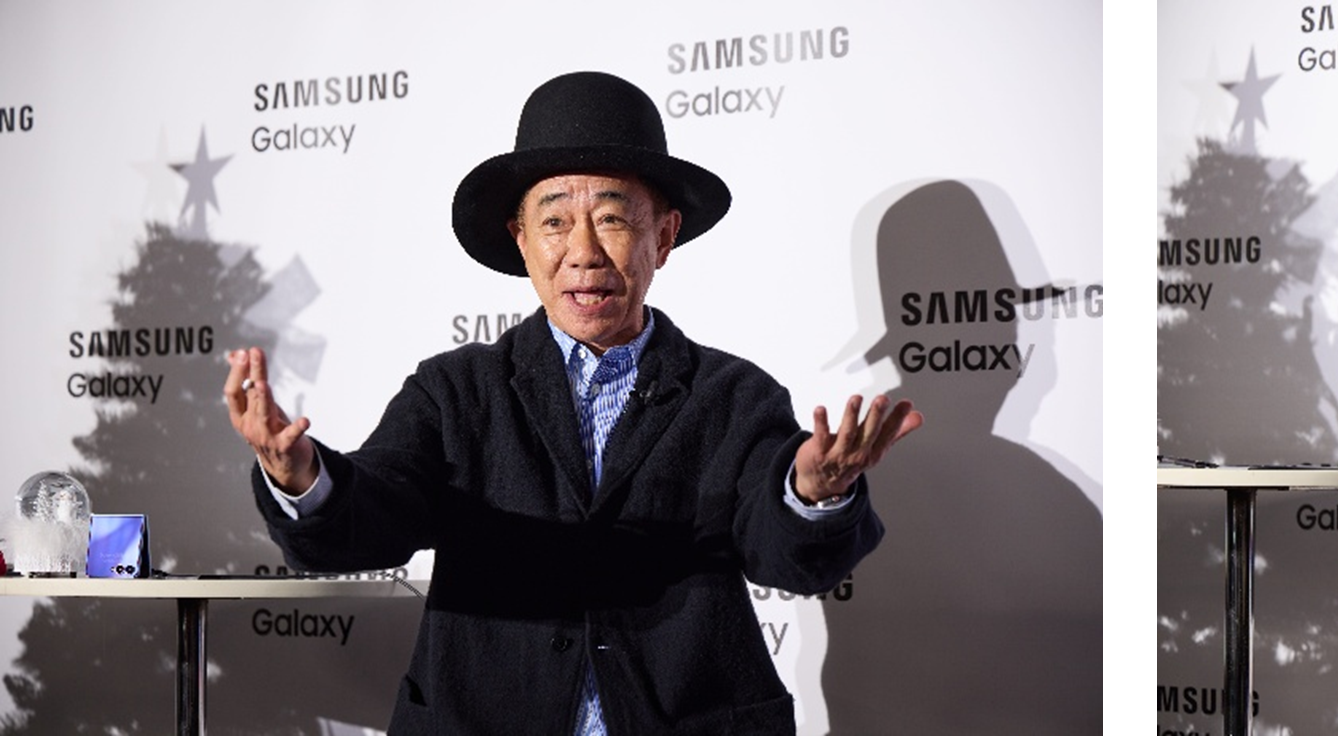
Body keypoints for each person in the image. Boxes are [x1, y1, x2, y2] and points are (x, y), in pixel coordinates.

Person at [221, 70, 921, 735]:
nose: (583, 252)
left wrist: (813, 493)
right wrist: (301, 476)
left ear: (664, 237)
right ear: (522, 241)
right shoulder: (454, 391)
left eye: (612, 218)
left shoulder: (734, 396)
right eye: (555, 222)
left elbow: (786, 558)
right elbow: (378, 510)